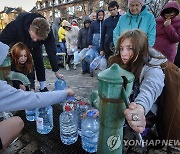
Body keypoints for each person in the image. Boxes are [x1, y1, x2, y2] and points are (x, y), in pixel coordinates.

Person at [0, 41, 74, 151]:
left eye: (25, 56)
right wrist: (64, 93)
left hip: (23, 93)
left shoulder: (29, 64)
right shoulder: (12, 67)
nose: (23, 58)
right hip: (19, 95)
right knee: (18, 121)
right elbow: (34, 99)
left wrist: (31, 88)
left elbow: (31, 79)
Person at [109, 29, 166, 134]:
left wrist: (139, 109)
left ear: (141, 49)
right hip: (126, 106)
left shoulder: (154, 70)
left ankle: (146, 134)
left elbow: (150, 89)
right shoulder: (122, 63)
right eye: (121, 49)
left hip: (146, 113)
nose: (124, 54)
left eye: (130, 48)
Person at [0, 12, 63, 92]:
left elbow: (51, 51)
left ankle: (42, 87)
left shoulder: (47, 32)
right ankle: (17, 84)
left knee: (38, 60)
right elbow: (2, 42)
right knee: (17, 60)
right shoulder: (16, 26)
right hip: (19, 41)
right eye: (34, 37)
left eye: (38, 39)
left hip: (36, 47)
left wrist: (56, 70)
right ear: (30, 28)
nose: (35, 40)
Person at [86, 9, 105, 77]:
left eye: (102, 15)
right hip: (94, 43)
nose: (100, 16)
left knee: (100, 58)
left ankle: (101, 71)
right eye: (99, 15)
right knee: (92, 57)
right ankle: (91, 70)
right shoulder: (93, 24)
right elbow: (90, 33)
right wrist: (89, 43)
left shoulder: (105, 23)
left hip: (102, 43)